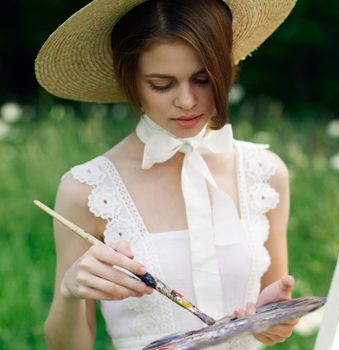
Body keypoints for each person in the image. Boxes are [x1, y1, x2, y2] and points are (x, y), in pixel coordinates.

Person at [35, 0, 298, 349]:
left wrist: (272, 322)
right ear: (131, 82)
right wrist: (70, 292)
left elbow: (270, 321)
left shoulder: (265, 174)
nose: (187, 101)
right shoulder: (86, 190)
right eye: (162, 84)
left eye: (203, 79)